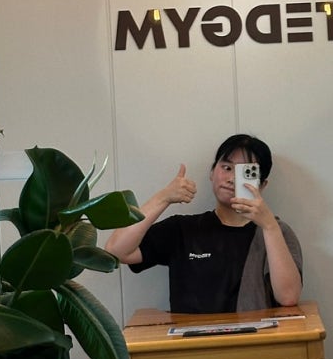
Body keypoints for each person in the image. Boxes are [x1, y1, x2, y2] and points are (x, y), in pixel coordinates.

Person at [105, 134, 302, 314]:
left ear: (262, 184)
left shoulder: (276, 232)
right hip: (190, 341)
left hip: (256, 340)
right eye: (226, 168)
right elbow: (116, 250)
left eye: (245, 172)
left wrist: (269, 226)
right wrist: (163, 197)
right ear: (212, 172)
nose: (232, 179)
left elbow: (288, 297)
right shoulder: (183, 229)